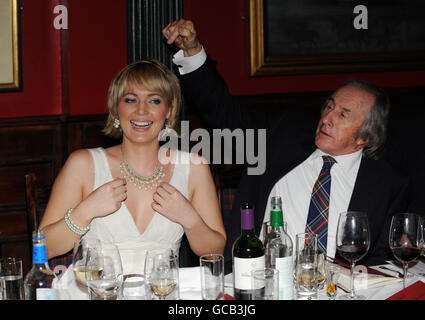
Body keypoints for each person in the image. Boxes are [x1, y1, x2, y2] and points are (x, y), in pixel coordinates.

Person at [163, 20, 411, 274]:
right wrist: (193, 52)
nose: (327, 118)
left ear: (364, 138)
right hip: (256, 278)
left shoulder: (387, 184)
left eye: (343, 115)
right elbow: (224, 112)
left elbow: (382, 258)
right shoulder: (283, 134)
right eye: (329, 106)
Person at [39, 59, 226, 281]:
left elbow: (214, 253)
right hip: (99, 294)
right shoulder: (83, 165)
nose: (141, 111)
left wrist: (190, 218)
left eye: (154, 101)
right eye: (130, 100)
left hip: (164, 293)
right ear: (116, 107)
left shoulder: (194, 167)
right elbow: (44, 249)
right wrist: (85, 211)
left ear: (169, 109)